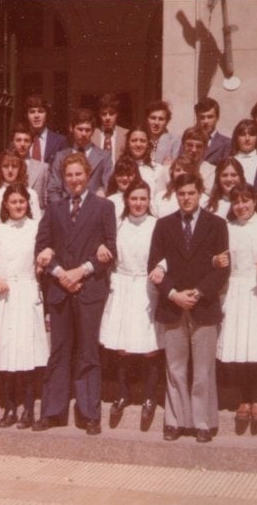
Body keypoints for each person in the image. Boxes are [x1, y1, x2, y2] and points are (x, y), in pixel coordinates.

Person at [34, 152, 117, 435]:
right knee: (58, 350)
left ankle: (89, 414)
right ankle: (52, 411)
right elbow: (42, 248)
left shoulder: (104, 207)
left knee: (87, 351)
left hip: (88, 288)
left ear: (88, 175)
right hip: (59, 289)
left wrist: (80, 272)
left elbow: (109, 249)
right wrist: (60, 274)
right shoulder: (54, 208)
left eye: (78, 174)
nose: (74, 180)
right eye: (69, 175)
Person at [148, 172, 230, 443]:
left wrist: (200, 292)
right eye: (181, 194)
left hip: (203, 304)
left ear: (200, 194)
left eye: (191, 193)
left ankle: (203, 422)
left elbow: (222, 268)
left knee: (204, 369)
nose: (186, 198)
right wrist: (173, 294)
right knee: (175, 368)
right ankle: (175, 420)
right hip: (173, 305)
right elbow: (155, 266)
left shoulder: (217, 225)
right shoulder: (163, 226)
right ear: (176, 195)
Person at [0, 184, 49, 430]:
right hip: (2, 296)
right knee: (5, 351)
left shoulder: (36, 228)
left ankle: (29, 409)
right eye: (13, 202)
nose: (18, 206)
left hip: (27, 291)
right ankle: (9, 407)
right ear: (5, 205)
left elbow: (46, 252)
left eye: (22, 201)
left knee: (26, 352)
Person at [213, 184, 257, 434]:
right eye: (236, 202)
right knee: (239, 347)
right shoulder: (227, 228)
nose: (241, 206)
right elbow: (217, 257)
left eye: (246, 200)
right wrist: (216, 260)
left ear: (255, 202)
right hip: (236, 289)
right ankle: (244, 398)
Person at [99, 180, 161, 431]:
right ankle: (122, 393)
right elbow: (106, 247)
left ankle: (149, 396)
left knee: (150, 346)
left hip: (147, 288)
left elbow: (165, 253)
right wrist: (102, 246)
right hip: (123, 285)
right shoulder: (119, 225)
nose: (138, 203)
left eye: (143, 199)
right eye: (134, 198)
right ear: (127, 200)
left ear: (149, 200)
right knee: (122, 345)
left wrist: (161, 268)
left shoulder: (157, 226)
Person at [47, 109, 113, 204]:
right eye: (80, 129)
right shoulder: (60, 156)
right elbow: (53, 189)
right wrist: (62, 211)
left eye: (88, 130)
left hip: (94, 209)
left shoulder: (104, 157)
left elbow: (108, 185)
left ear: (93, 131)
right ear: (71, 128)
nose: (84, 134)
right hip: (66, 209)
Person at [0, 151, 42, 225]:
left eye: (14, 166)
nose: (10, 170)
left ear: (20, 168)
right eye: (6, 166)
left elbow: (37, 222)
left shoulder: (31, 193)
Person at [11, 122, 49, 209]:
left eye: (26, 140)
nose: (22, 144)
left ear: (32, 143)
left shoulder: (43, 168)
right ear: (13, 142)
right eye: (18, 140)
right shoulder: (5, 167)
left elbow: (46, 201)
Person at [120, 124, 167, 195]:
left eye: (142, 141)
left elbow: (160, 198)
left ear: (148, 144)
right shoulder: (120, 168)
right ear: (128, 143)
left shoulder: (158, 170)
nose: (138, 144)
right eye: (134, 140)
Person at [25, 94, 69, 166]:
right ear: (26, 115)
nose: (36, 116)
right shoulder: (19, 140)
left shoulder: (60, 141)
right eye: (32, 112)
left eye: (41, 111)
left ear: (47, 114)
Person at [91, 93, 129, 163]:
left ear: (117, 114)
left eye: (111, 114)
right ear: (99, 114)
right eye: (104, 114)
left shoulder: (126, 134)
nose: (107, 118)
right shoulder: (92, 134)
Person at [194, 97, 231, 165]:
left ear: (217, 117)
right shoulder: (188, 141)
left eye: (210, 117)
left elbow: (225, 168)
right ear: (197, 118)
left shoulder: (227, 143)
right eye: (202, 117)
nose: (206, 121)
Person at [181, 126, 217, 192]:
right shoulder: (170, 169)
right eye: (190, 145)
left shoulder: (211, 171)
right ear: (183, 145)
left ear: (205, 148)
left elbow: (208, 196)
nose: (194, 150)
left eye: (198, 146)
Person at [145, 100, 181, 167]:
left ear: (167, 121)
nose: (156, 123)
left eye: (161, 119)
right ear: (147, 119)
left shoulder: (175, 140)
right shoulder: (142, 140)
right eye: (153, 118)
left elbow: (176, 166)